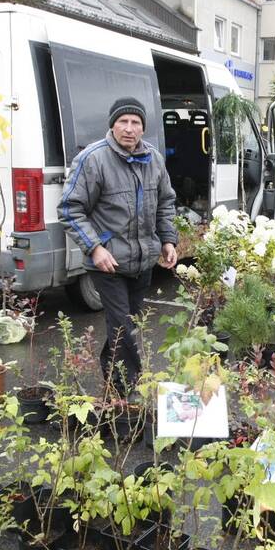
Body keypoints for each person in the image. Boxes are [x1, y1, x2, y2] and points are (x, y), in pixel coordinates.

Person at [59, 96, 178, 396]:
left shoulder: (153, 159)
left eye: (135, 122)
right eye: (123, 121)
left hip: (142, 262)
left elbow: (166, 202)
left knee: (127, 325)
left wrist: (168, 240)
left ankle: (113, 377)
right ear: (112, 125)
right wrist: (95, 248)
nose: (129, 128)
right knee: (122, 325)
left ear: (142, 128)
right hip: (108, 263)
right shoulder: (93, 159)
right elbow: (70, 209)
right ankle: (130, 391)